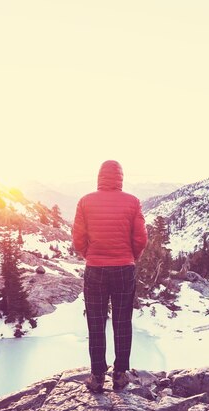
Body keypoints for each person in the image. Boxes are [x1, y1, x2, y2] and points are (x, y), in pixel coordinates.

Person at [72, 160, 148, 393]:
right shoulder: (132, 202)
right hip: (124, 270)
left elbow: (78, 239)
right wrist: (129, 256)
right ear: (120, 178)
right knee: (122, 322)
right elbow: (141, 238)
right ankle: (120, 374)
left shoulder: (85, 201)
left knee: (96, 323)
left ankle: (97, 377)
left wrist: (91, 255)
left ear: (99, 177)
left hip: (95, 270)